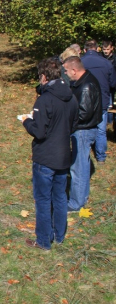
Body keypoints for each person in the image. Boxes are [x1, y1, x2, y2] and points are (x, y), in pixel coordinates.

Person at [22, 58, 78, 250]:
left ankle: (44, 241)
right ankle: (59, 235)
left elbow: (39, 131)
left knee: (44, 200)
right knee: (60, 197)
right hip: (63, 154)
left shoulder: (45, 99)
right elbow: (73, 124)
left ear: (44, 77)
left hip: (45, 157)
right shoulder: (71, 97)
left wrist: (26, 121)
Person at [63, 56, 102, 212]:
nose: (65, 73)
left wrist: (67, 122)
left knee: (78, 167)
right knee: (79, 165)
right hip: (82, 129)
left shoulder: (87, 86)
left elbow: (84, 113)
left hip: (83, 131)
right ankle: (79, 198)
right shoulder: (82, 82)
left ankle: (76, 202)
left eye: (66, 70)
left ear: (74, 69)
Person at [81, 39, 116, 164]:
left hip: (86, 100)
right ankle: (101, 157)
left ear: (85, 50)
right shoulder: (106, 63)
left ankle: (84, 155)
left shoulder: (80, 63)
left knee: (85, 128)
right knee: (101, 130)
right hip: (102, 99)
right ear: (97, 49)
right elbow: (113, 83)